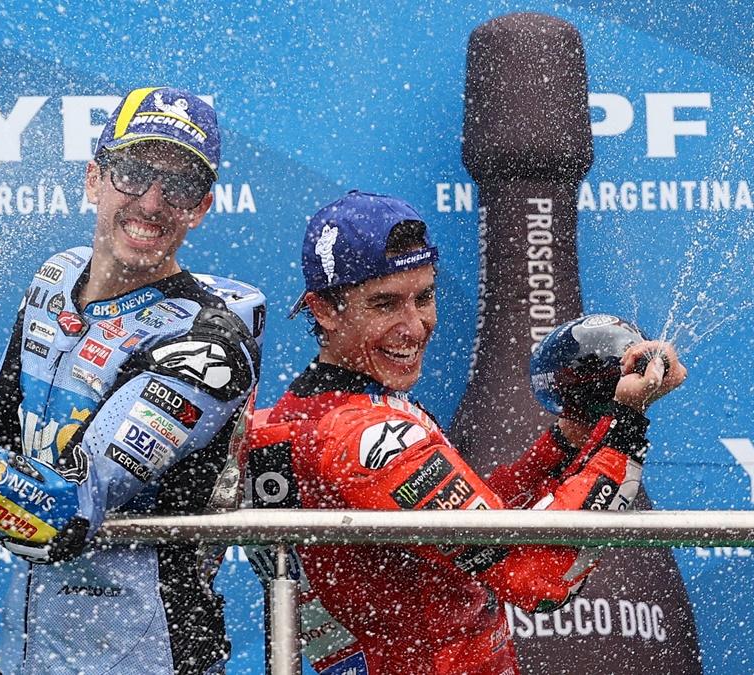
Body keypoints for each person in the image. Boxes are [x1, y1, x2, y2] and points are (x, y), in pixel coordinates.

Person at [0, 86, 265, 675]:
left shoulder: (209, 339)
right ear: (93, 179)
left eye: (180, 186)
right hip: (32, 655)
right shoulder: (54, 280)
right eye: (134, 172)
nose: (153, 202)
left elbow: (64, 517)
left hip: (155, 660)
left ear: (201, 207)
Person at [247, 190, 685, 674]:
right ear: (325, 310)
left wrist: (569, 439)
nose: (414, 327)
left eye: (424, 297)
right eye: (385, 304)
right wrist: (627, 429)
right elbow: (540, 576)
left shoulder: (301, 412)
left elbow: (459, 530)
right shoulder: (365, 433)